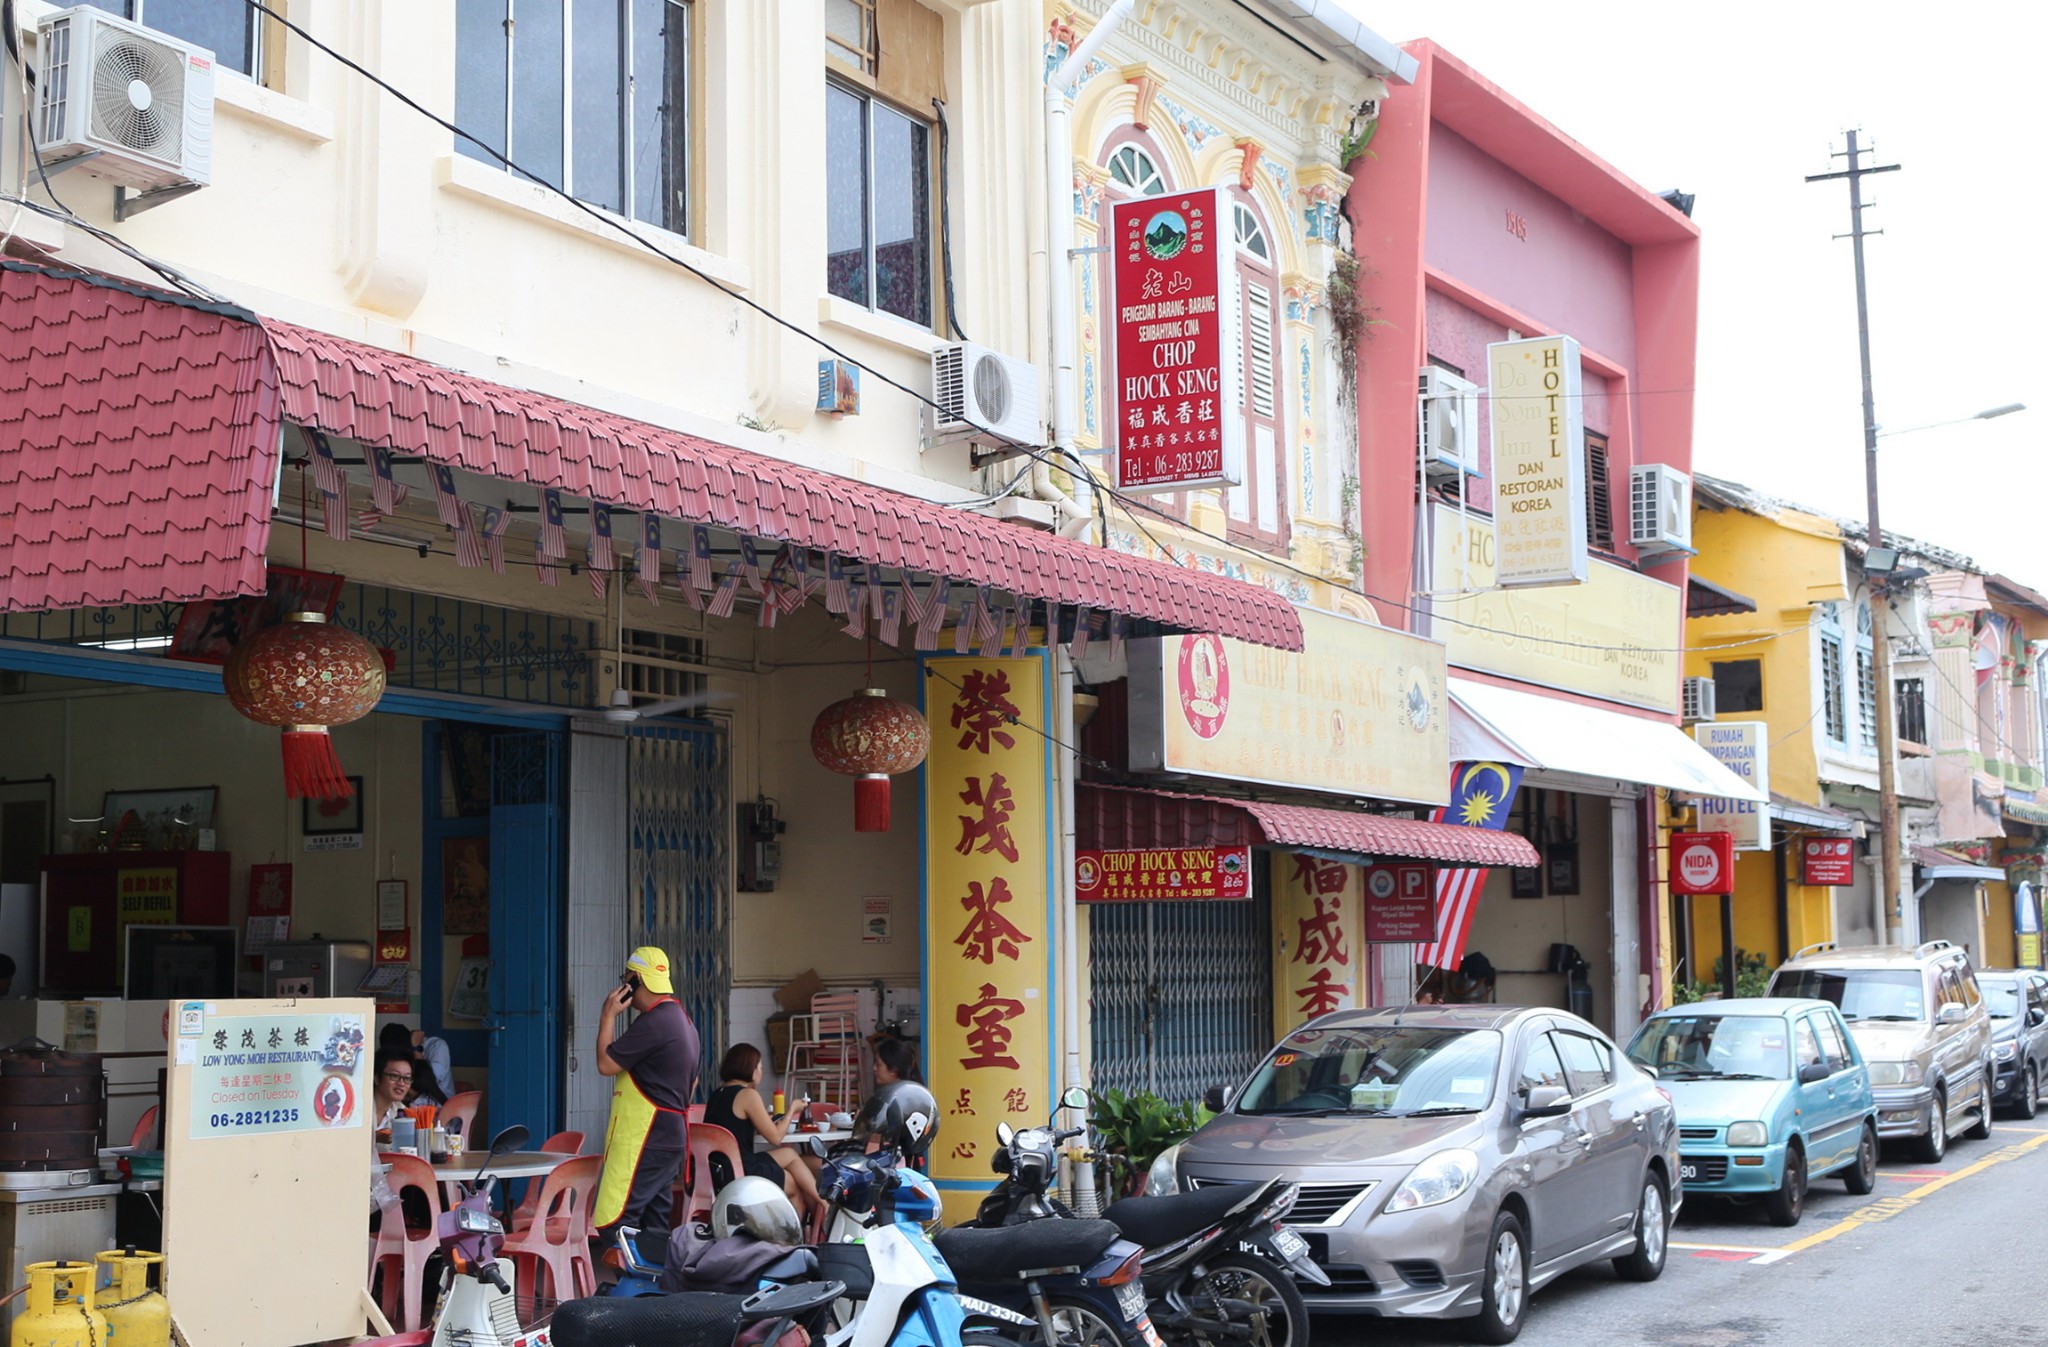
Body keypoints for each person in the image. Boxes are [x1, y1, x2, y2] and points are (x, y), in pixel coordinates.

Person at [593, 946, 701, 1248]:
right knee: (654, 1223)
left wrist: (607, 1015)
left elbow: (605, 1063)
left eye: (626, 980)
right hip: (671, 1136)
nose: (623, 986)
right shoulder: (684, 1020)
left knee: (617, 1221)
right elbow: (692, 1082)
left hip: (647, 1136)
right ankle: (657, 1291)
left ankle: (631, 1288)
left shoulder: (654, 1023)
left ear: (637, 982)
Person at [703, 1044, 825, 1223]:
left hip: (717, 1171)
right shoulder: (748, 1095)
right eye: (760, 1067)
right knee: (794, 1186)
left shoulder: (716, 1095)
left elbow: (735, 1125)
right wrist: (792, 1110)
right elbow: (776, 1138)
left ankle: (822, 1203)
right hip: (741, 1172)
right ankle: (791, 1243)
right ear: (750, 1069)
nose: (761, 1072)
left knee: (790, 1154)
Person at [371, 1048, 415, 1132]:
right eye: (395, 1076)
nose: (401, 1083)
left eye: (407, 1078)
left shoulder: (404, 1113)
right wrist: (375, 1138)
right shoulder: (358, 1108)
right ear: (376, 1078)